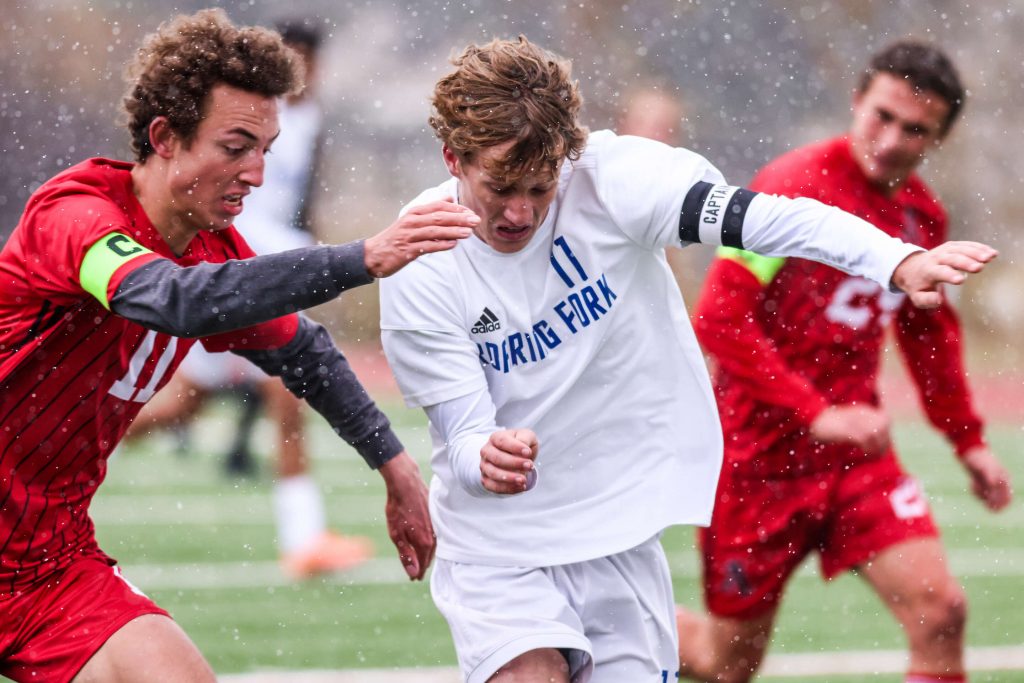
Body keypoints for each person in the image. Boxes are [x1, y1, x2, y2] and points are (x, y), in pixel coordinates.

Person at [377, 36, 996, 683]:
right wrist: (487, 457)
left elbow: (771, 221)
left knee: (884, 624)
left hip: (618, 529)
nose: (521, 212)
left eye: (540, 186)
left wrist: (895, 260)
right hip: (499, 548)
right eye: (500, 186)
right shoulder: (420, 257)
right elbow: (462, 435)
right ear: (453, 158)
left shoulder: (616, 179)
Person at [0, 9, 478, 681]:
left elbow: (304, 353)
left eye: (265, 150)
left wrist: (396, 468)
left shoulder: (210, 251)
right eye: (235, 147)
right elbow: (172, 298)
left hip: (47, 566)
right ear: (165, 138)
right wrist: (363, 257)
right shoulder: (77, 216)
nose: (255, 173)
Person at [676, 41, 1013, 683]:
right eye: (882, 116)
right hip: (757, 462)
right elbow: (720, 318)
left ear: (938, 138)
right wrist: (814, 412)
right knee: (725, 664)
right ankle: (596, 633)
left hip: (856, 461)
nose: (890, 140)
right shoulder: (789, 188)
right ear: (857, 101)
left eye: (915, 129)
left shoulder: (921, 217)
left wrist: (967, 440)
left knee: (941, 614)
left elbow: (929, 337)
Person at [128, 17, 375, 581]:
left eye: (310, 60)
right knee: (286, 390)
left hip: (271, 262)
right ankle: (303, 538)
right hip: (241, 268)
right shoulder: (253, 114)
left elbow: (299, 202)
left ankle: (62, 449)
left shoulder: (313, 120)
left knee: (183, 405)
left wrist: (307, 248)